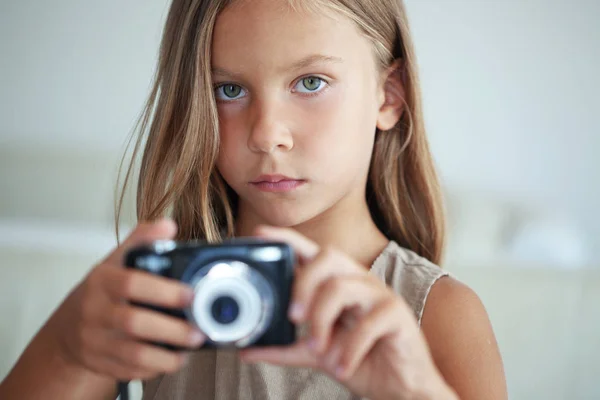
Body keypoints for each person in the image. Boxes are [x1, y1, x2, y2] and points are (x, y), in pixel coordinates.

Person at [0, 0, 508, 399]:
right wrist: (68, 349)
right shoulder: (162, 296)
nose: (267, 135)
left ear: (388, 95)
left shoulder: (440, 315)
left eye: (311, 82)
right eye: (229, 91)